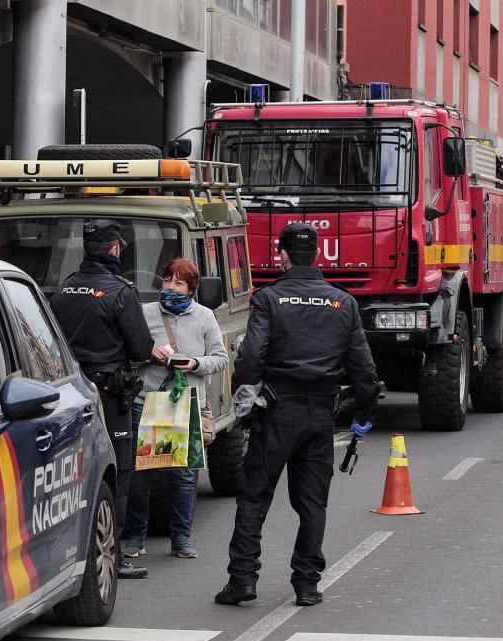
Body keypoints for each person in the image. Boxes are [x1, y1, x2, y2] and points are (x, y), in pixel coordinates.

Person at [214, 222, 379, 607]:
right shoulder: (343, 302)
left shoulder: (270, 298)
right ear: (317, 255)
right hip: (321, 414)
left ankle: (242, 580)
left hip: (276, 411)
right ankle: (307, 584)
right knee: (312, 503)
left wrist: (245, 395)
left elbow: (252, 356)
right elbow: (364, 370)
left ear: (282, 255)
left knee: (254, 498)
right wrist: (365, 414)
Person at [50, 218, 155, 580]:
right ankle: (112, 552)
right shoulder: (121, 292)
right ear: (114, 249)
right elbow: (141, 348)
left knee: (73, 474)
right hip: (109, 398)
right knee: (118, 473)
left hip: (71, 393)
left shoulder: (63, 290)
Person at [123, 258, 228, 560]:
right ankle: (134, 537)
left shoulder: (205, 317)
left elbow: (220, 358)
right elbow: (128, 356)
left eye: (178, 283)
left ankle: (181, 538)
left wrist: (195, 363)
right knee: (140, 474)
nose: (170, 287)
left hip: (185, 405)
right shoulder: (144, 314)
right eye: (167, 280)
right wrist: (148, 354)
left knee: (183, 477)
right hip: (148, 402)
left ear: (192, 289)